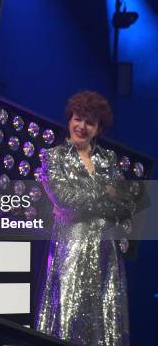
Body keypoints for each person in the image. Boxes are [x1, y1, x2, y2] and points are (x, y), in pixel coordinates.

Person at [36, 91, 135, 345]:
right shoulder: (54, 157)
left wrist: (97, 199)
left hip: (106, 255)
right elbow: (64, 201)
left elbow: (125, 204)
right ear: (70, 119)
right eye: (78, 118)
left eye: (89, 122)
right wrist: (104, 190)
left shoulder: (108, 160)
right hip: (71, 250)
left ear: (98, 128)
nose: (82, 126)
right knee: (67, 319)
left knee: (103, 326)